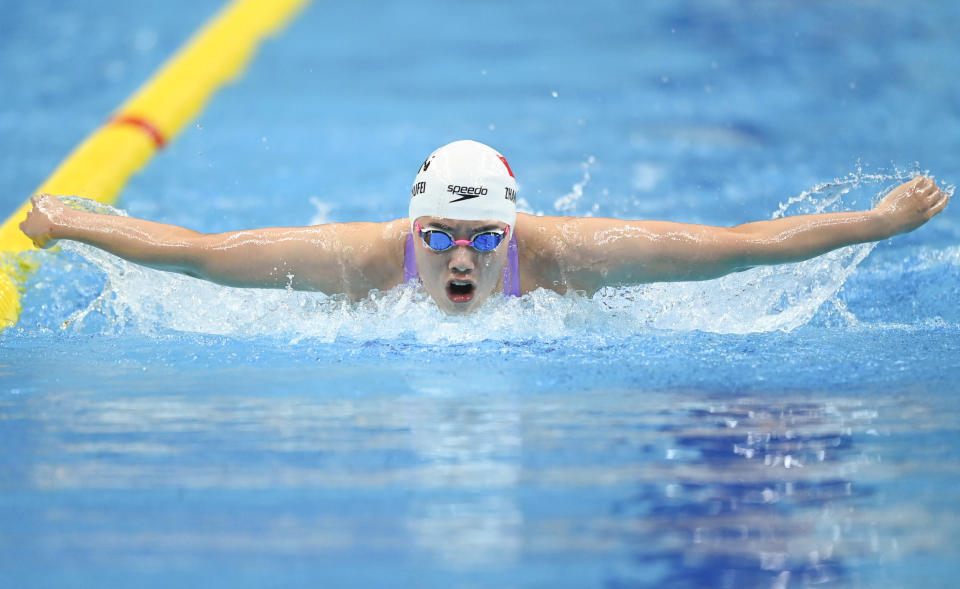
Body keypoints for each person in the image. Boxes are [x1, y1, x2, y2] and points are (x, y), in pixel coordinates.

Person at [19, 140, 949, 315]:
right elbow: (200, 255)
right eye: (439, 238)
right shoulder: (360, 261)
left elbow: (740, 242)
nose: (460, 258)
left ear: (514, 232)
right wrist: (73, 220)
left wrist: (876, 221)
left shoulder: (570, 257)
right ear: (412, 227)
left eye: (482, 240)